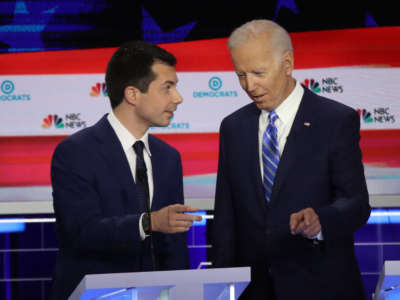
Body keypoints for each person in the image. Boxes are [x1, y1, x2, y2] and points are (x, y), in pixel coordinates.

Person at [212, 19, 371, 300]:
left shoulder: (335, 120)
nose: (249, 85)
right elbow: (226, 217)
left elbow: (357, 204)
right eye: (241, 75)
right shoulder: (233, 127)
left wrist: (321, 220)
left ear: (287, 64)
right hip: (254, 290)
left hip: (320, 285)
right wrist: (221, 286)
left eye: (258, 73)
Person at [50, 40, 201, 300]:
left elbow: (173, 242)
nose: (178, 98)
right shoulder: (75, 152)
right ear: (132, 94)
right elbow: (80, 232)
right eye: (167, 88)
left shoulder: (168, 158)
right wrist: (148, 222)